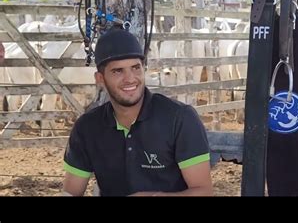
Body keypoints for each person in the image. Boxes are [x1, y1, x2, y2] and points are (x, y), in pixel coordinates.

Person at [62, 29, 213, 196]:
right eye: (118, 71)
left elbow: (203, 191)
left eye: (136, 68)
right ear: (100, 79)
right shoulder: (87, 127)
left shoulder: (180, 119)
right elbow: (71, 192)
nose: (130, 78)